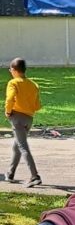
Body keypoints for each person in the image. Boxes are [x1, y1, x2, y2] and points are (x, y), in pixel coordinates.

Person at [4, 58, 42, 187]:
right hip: (29, 118)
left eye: (10, 70)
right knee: (17, 145)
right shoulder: (33, 84)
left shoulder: (13, 83)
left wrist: (8, 111)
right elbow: (37, 105)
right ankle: (10, 173)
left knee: (23, 147)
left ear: (14, 70)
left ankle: (34, 176)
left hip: (17, 117)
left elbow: (9, 99)